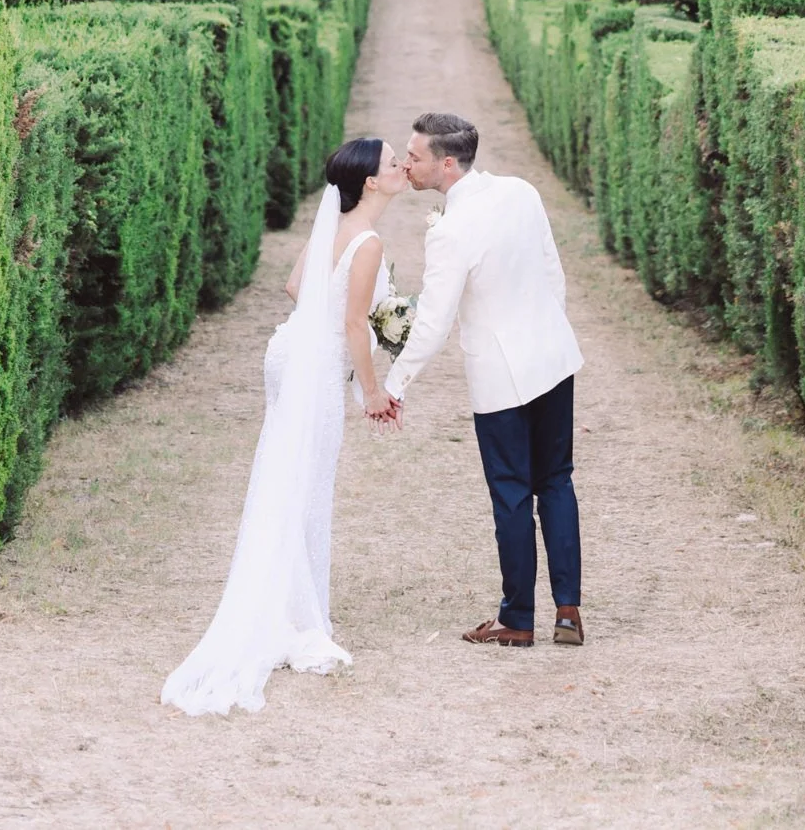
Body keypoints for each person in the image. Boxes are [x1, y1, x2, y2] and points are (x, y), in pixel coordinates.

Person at [161, 135, 407, 716]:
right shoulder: (368, 241)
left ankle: (293, 605)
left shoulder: (335, 223)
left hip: (285, 354)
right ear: (371, 181)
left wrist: (349, 320)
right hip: (316, 365)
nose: (401, 167)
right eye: (394, 162)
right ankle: (297, 618)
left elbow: (296, 288)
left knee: (284, 476)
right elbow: (351, 324)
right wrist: (372, 390)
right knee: (307, 486)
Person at [373, 111, 584, 650]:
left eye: (414, 156)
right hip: (554, 359)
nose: (407, 163)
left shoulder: (450, 231)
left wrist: (394, 384)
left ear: (447, 163)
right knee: (556, 482)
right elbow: (551, 270)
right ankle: (567, 612)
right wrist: (546, 331)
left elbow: (435, 323)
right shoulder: (521, 192)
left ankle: (517, 619)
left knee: (512, 496)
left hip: (500, 377)